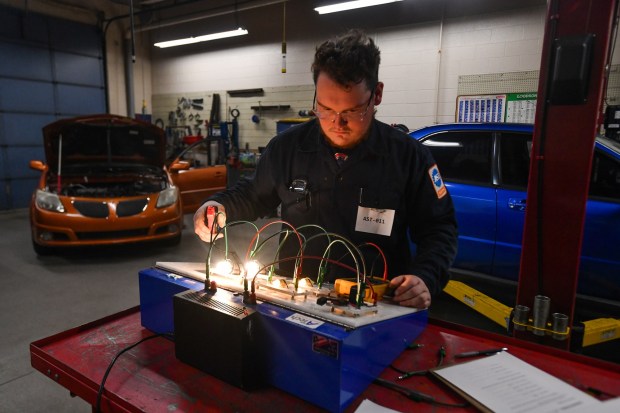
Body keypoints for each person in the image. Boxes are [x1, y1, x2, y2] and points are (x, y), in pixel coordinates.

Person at [194, 29, 457, 309]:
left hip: (375, 307)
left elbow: (439, 229)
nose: (336, 123)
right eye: (325, 108)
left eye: (352, 111)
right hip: (294, 300)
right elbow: (253, 194)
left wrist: (425, 277)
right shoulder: (287, 148)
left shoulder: (408, 157)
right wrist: (217, 206)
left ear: (376, 95)